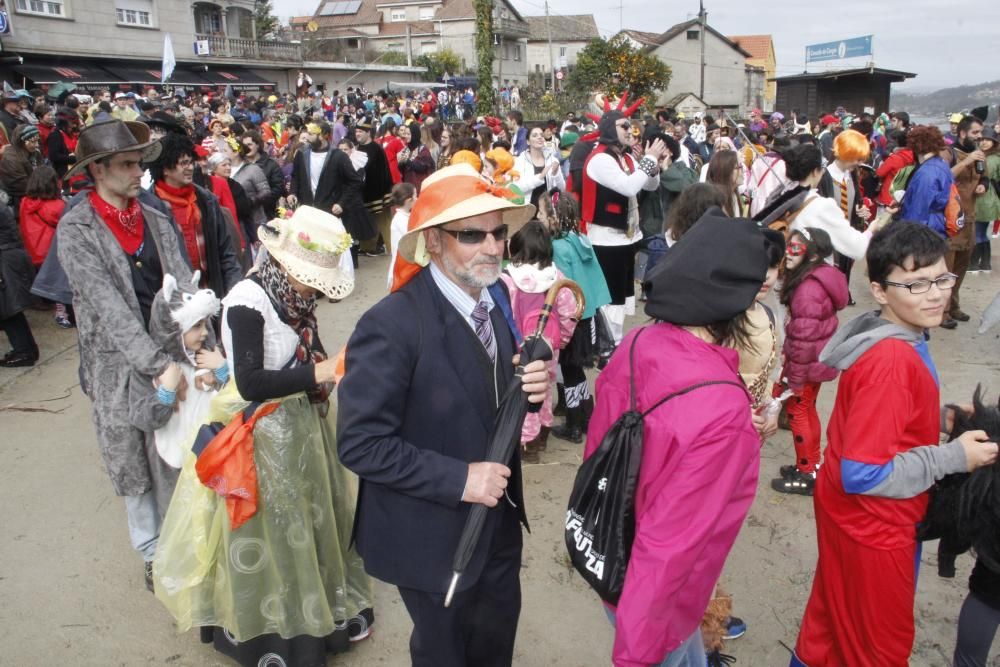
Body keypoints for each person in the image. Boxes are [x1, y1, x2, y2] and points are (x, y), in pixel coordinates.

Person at [337, 164, 550, 667]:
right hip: (430, 538)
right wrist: (461, 478)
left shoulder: (489, 299)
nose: (494, 246)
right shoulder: (390, 325)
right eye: (471, 234)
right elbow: (360, 443)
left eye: (499, 232)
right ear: (432, 241)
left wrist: (532, 391)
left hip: (496, 525)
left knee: (495, 647)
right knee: (445, 654)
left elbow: (486, 397)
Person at [154, 207, 374, 666]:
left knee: (309, 521)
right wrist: (322, 369)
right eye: (310, 276)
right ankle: (273, 634)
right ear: (287, 264)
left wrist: (322, 374)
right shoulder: (247, 301)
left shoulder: (293, 296)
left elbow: (298, 354)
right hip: (258, 435)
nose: (314, 286)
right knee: (270, 530)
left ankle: (319, 613)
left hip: (298, 428)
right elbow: (250, 381)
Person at [789, 221, 999, 667]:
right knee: (880, 645)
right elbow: (863, 473)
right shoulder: (892, 360)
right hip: (875, 524)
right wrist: (952, 456)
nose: (936, 294)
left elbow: (878, 420)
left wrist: (937, 417)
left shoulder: (894, 335)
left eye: (942, 278)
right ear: (880, 291)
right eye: (916, 284)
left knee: (829, 626)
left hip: (848, 514)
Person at [587, 211, 767, 667]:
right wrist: (637, 652)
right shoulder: (723, 410)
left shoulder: (637, 343)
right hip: (657, 604)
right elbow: (670, 547)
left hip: (610, 551)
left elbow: (605, 451)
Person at [56, 119, 190, 590]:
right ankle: (153, 552)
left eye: (140, 163)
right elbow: (109, 309)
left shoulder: (153, 217)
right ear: (97, 170)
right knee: (132, 463)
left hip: (174, 358)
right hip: (117, 369)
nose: (140, 173)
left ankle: (184, 540)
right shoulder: (76, 229)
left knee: (175, 454)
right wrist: (160, 366)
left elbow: (184, 285)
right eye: (128, 164)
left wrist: (199, 340)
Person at [581, 105, 666, 349]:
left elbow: (649, 186)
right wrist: (648, 160)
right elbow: (629, 187)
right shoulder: (599, 159)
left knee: (622, 296)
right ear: (609, 128)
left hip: (627, 238)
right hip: (606, 239)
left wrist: (653, 165)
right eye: (624, 126)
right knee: (611, 298)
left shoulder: (626, 157)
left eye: (631, 125)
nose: (631, 130)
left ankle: (612, 342)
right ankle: (608, 346)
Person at [771, 227, 849, 495]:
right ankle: (811, 464)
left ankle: (807, 474)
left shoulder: (808, 290)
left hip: (806, 365)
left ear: (812, 253)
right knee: (807, 410)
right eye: (788, 247)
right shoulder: (818, 278)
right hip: (815, 362)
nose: (788, 254)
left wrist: (794, 378)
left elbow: (803, 340)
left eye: (796, 248)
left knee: (797, 412)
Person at [499, 220, 579, 461]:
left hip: (518, 349)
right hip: (547, 349)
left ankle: (525, 441)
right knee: (543, 390)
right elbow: (569, 312)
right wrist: (561, 340)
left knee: (521, 392)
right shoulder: (557, 278)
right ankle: (542, 433)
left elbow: (501, 313)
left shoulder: (507, 279)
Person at [542, 194, 610, 443]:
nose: (540, 217)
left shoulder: (558, 248)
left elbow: (563, 286)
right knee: (578, 371)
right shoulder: (579, 239)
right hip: (588, 312)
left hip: (572, 316)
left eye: (542, 213)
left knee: (570, 371)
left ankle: (573, 423)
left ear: (553, 218)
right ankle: (586, 416)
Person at [148, 133, 242, 300]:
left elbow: (226, 252)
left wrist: (234, 292)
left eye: (191, 162)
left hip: (212, 293)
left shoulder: (206, 201)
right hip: (177, 302)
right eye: (184, 163)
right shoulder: (150, 207)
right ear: (165, 168)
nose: (191, 167)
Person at [288, 121, 374, 268]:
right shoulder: (302, 154)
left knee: (329, 250)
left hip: (330, 211)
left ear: (323, 136)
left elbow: (354, 182)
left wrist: (341, 203)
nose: (306, 137)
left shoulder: (338, 156)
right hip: (309, 210)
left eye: (311, 133)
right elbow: (296, 176)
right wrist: (292, 192)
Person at [18, 165, 71, 328]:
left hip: (35, 250)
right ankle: (62, 313)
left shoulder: (25, 202)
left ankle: (57, 308)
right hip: (53, 250)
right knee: (63, 281)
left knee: (51, 280)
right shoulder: (57, 205)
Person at [945, 115, 986, 326]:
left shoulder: (980, 156)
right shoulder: (949, 153)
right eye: (975, 132)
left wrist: (983, 186)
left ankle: (954, 306)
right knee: (946, 268)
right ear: (962, 133)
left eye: (981, 132)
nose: (979, 137)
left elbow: (985, 178)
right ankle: (942, 311)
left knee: (961, 266)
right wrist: (968, 161)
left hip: (970, 218)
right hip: (951, 220)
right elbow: (944, 177)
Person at [354, 118, 395, 256]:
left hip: (378, 193)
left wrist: (384, 195)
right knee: (366, 222)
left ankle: (392, 249)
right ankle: (367, 247)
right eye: (356, 131)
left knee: (383, 223)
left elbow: (383, 172)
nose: (357, 134)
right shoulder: (357, 148)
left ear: (368, 133)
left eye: (360, 131)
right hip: (363, 193)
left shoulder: (377, 149)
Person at [226, 136, 270, 243]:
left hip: (254, 219)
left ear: (236, 152)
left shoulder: (252, 169)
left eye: (225, 150)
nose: (223, 153)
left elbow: (266, 191)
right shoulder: (225, 170)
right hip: (235, 221)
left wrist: (249, 202)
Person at [970, 127, 1000, 272]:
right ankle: (985, 263)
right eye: (982, 140)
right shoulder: (981, 156)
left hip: (985, 197)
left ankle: (975, 263)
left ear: (994, 142)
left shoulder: (993, 159)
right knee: (982, 231)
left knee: (978, 231)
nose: (984, 143)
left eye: (988, 140)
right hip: (988, 198)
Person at [513, 126, 565, 209]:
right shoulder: (519, 161)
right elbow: (516, 188)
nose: (539, 137)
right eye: (534, 135)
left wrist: (555, 174)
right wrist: (539, 177)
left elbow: (561, 189)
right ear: (528, 141)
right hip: (526, 210)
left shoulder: (552, 160)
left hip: (547, 212)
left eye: (541, 135)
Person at [0, 124, 41, 210]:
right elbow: (22, 185)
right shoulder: (11, 159)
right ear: (21, 142)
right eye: (33, 142)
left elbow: (42, 171)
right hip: (18, 200)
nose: (37, 145)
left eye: (37, 141)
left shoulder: (35, 153)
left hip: (36, 191)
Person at [386, 181, 416, 289]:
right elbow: (413, 236)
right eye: (415, 196)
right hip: (402, 263)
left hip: (406, 261)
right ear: (408, 200)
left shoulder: (404, 216)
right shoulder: (400, 219)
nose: (417, 199)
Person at [704, 149, 745, 217]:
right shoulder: (715, 203)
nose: (743, 171)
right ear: (726, 171)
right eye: (739, 167)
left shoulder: (733, 195)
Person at [397, 123, 435, 192]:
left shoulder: (423, 149)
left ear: (414, 135)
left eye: (408, 134)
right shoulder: (406, 149)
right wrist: (401, 163)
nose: (406, 136)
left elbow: (422, 167)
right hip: (408, 187)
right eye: (405, 134)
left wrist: (407, 161)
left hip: (420, 187)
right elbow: (402, 170)